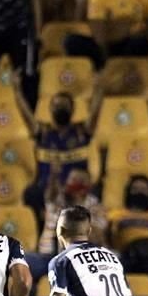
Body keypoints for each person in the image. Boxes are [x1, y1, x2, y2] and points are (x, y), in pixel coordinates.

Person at [14, 84, 101, 220]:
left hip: (76, 190)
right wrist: (17, 91)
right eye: (57, 105)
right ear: (50, 109)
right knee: (31, 193)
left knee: (95, 193)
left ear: (72, 109)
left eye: (65, 105)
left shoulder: (80, 132)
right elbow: (26, 116)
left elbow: (95, 114)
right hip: (46, 189)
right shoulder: (43, 133)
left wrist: (99, 90)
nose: (61, 108)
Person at [63, 0, 148, 70]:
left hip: (130, 42)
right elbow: (99, 35)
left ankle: (120, 73)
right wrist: (123, 29)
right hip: (105, 45)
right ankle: (104, 71)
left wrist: (121, 29)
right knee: (72, 41)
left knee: (140, 42)